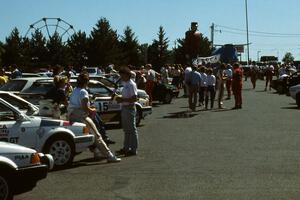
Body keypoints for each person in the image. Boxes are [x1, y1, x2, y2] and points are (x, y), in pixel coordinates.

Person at [68, 73, 121, 162]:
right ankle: (109, 155)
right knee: (97, 135)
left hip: (72, 115)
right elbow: (84, 106)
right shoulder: (83, 91)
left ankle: (97, 152)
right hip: (82, 116)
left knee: (87, 135)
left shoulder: (75, 90)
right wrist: (92, 110)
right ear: (86, 82)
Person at [115, 67, 139, 156]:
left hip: (129, 107)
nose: (121, 77)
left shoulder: (131, 84)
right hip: (125, 107)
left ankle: (133, 149)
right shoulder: (126, 84)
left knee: (132, 129)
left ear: (126, 75)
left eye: (122, 75)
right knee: (126, 129)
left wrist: (122, 99)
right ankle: (126, 147)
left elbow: (134, 98)